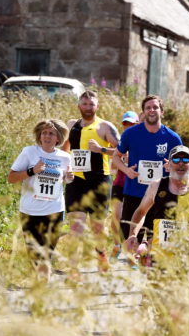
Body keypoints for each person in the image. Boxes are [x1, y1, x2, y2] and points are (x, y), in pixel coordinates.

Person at [112, 95, 182, 246]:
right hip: (134, 192)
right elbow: (116, 157)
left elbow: (183, 166)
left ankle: (149, 266)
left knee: (155, 240)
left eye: (155, 107)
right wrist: (126, 170)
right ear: (143, 112)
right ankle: (134, 263)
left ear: (162, 112)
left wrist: (173, 167)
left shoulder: (173, 138)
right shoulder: (130, 134)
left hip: (160, 195)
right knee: (130, 239)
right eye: (148, 108)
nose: (152, 110)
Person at [63, 90, 120, 272]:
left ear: (98, 106)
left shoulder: (105, 127)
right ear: (79, 105)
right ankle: (73, 269)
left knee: (97, 227)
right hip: (76, 182)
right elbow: (64, 150)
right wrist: (66, 169)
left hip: (99, 181)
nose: (88, 108)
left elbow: (123, 152)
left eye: (92, 104)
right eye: (85, 104)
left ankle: (101, 253)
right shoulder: (71, 125)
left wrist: (102, 149)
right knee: (75, 228)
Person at [8, 119, 72, 279]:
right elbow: (11, 178)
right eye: (44, 132)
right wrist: (31, 171)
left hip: (55, 210)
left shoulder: (65, 157)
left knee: (47, 254)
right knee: (35, 255)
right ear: (39, 135)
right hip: (30, 211)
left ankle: (42, 288)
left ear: (58, 138)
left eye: (51, 133)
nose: (47, 136)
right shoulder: (29, 152)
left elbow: (65, 180)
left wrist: (69, 177)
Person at [110, 111, 139, 258]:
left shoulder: (139, 139)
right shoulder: (121, 140)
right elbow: (113, 163)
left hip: (134, 184)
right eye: (126, 124)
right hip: (119, 182)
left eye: (132, 124)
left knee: (130, 218)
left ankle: (131, 249)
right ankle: (116, 245)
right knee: (116, 214)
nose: (128, 126)